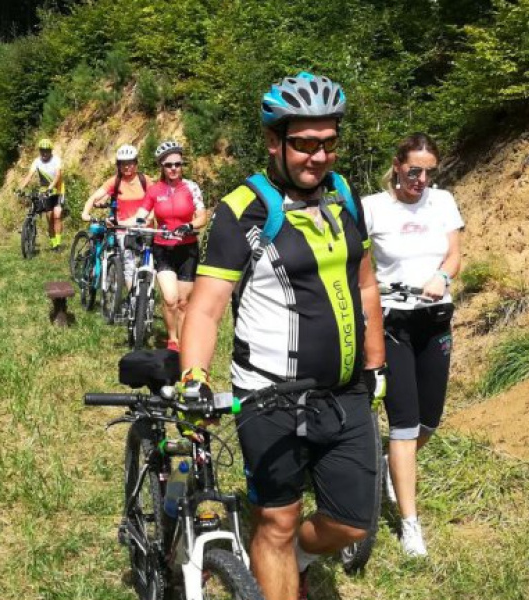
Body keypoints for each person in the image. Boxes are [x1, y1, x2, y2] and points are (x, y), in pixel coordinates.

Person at [178, 72, 386, 600]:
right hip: (270, 396)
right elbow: (205, 310)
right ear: (275, 142)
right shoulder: (242, 210)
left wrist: (376, 364)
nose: (317, 157)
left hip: (346, 394)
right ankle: (275, 555)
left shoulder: (343, 196)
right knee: (277, 519)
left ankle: (288, 559)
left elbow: (365, 284)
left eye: (328, 143)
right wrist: (195, 376)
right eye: (303, 144)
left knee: (353, 523)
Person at [363, 132, 462, 558]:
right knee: (403, 422)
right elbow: (353, 258)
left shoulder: (443, 202)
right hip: (393, 322)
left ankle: (391, 461)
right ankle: (409, 523)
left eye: (428, 172)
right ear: (397, 165)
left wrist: (443, 277)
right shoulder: (372, 208)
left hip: (435, 319)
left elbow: (455, 254)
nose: (420, 180)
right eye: (413, 170)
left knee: (430, 422)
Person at [132, 140, 206, 352]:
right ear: (161, 167)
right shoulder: (155, 190)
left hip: (187, 249)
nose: (174, 168)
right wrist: (137, 222)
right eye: (168, 165)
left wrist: (189, 225)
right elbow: (142, 212)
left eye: (178, 164)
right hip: (163, 248)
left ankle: (183, 344)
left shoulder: (192, 187)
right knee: (170, 298)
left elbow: (202, 216)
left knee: (183, 302)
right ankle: (172, 339)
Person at [81, 144, 149, 285]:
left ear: (136, 163)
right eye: (123, 164)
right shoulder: (115, 181)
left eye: (130, 163)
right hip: (123, 228)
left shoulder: (145, 181)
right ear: (118, 165)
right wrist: (85, 213)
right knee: (129, 264)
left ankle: (143, 296)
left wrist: (151, 218)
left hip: (144, 227)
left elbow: (156, 202)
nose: (126, 167)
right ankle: (132, 302)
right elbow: (94, 197)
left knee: (145, 264)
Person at [19, 138, 66, 250]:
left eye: (46, 150)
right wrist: (20, 188)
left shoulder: (56, 160)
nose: (44, 153)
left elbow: (58, 176)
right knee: (49, 218)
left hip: (58, 191)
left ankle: (58, 244)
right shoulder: (37, 161)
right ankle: (53, 243)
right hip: (45, 191)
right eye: (42, 150)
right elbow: (29, 175)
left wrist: (50, 187)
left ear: (51, 151)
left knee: (57, 216)